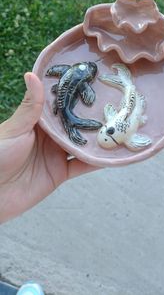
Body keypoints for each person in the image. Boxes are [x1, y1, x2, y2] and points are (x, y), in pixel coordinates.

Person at [0, 72, 98, 224]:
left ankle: (70, 121)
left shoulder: (68, 73)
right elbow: (88, 97)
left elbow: (55, 77)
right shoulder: (83, 83)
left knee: (64, 109)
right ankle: (72, 122)